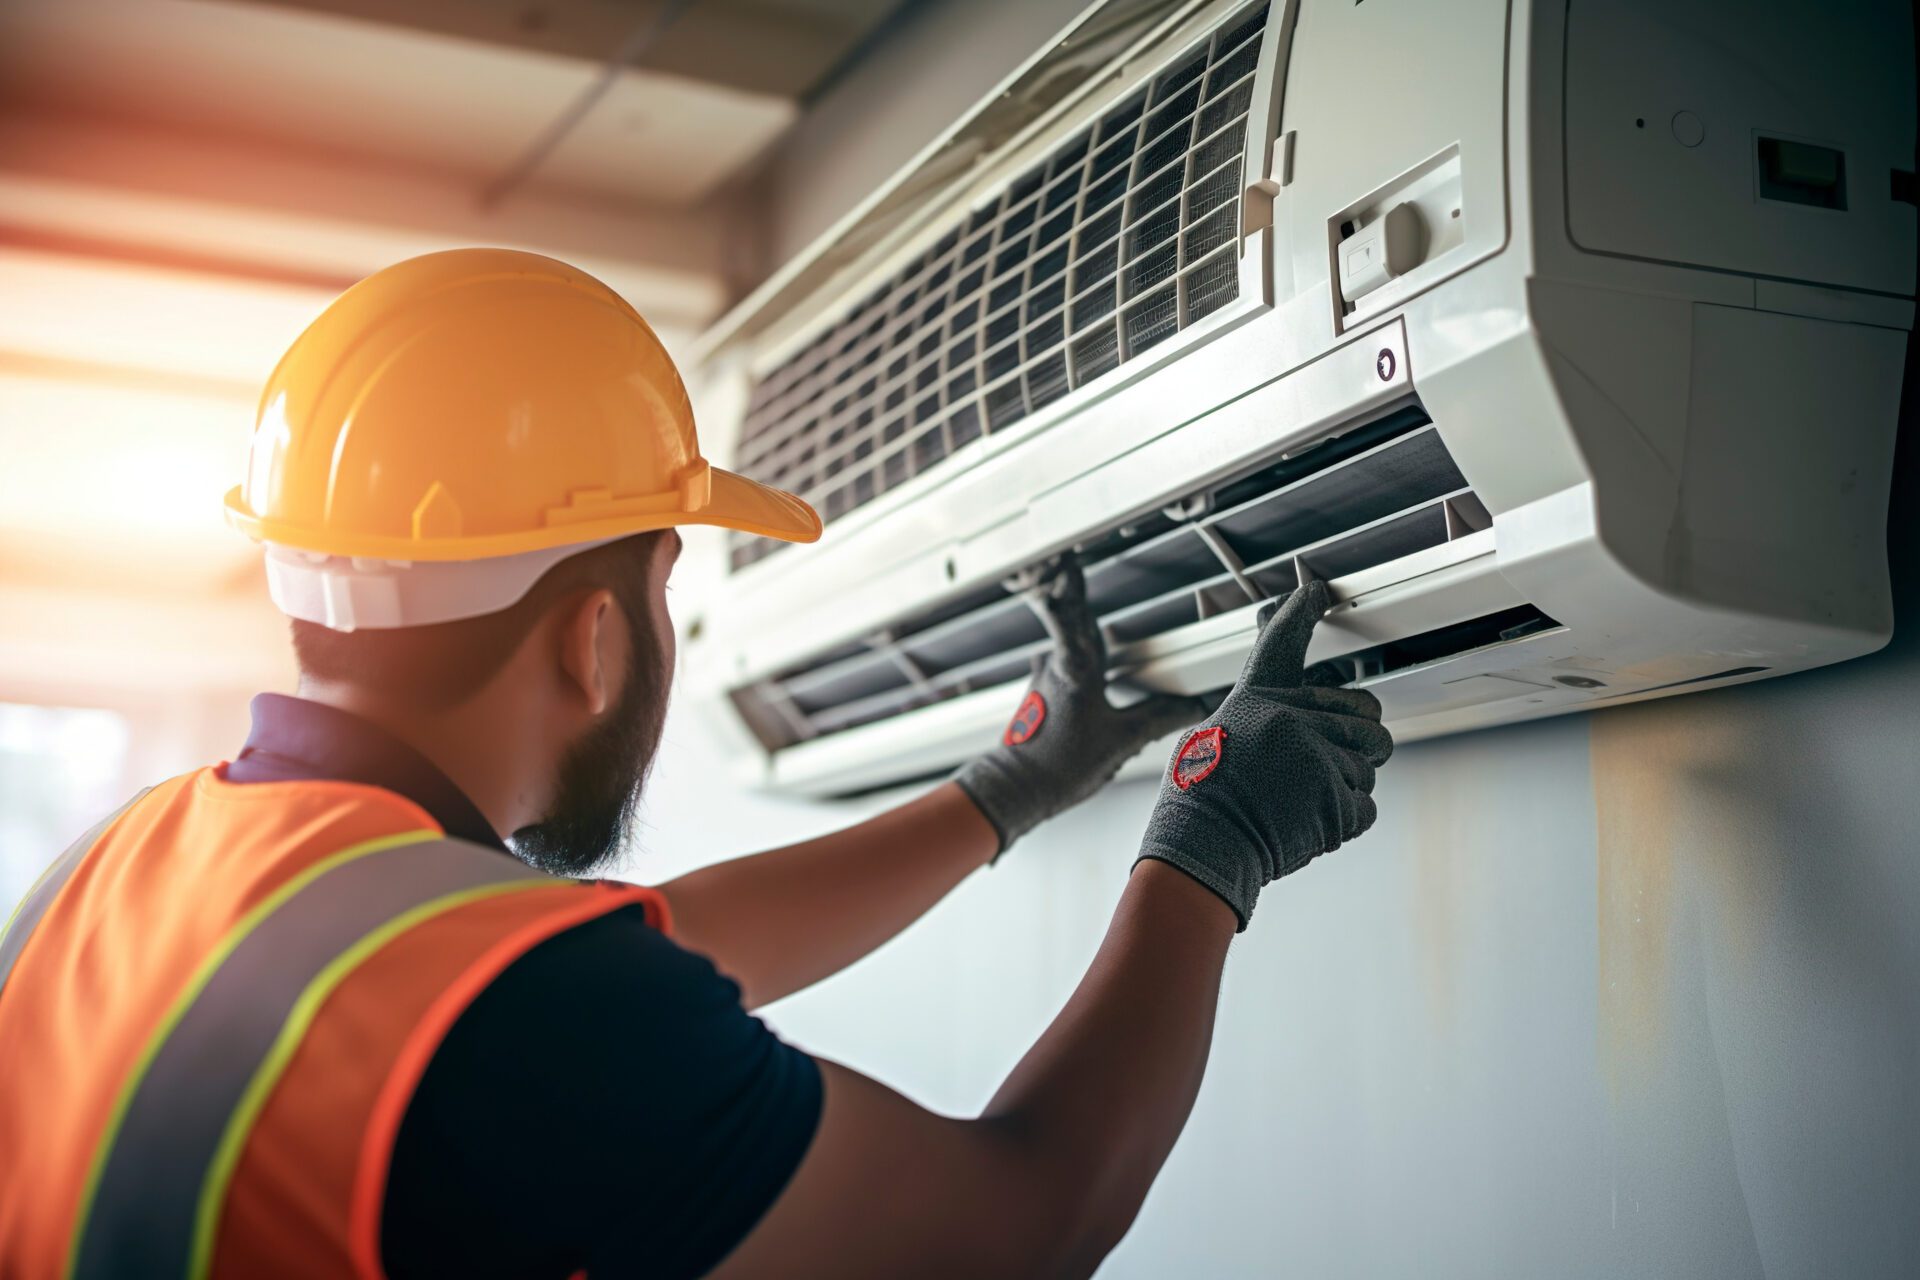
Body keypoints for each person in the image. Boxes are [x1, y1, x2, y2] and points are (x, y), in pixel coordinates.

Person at [0, 249, 1391, 1279]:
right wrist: (1209, 855)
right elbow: (1019, 1226)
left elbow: (668, 943)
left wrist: (1008, 791)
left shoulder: (104, 875)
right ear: (597, 636)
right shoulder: (510, 999)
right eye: (669, 584)